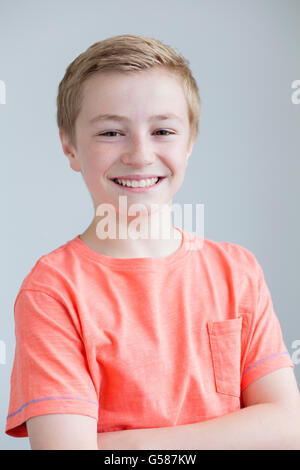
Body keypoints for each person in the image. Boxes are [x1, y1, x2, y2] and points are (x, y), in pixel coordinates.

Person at [5, 34, 300, 450]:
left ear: (190, 141)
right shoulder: (52, 291)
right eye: (111, 132)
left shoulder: (238, 272)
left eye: (162, 130)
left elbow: (288, 428)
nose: (140, 154)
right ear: (69, 147)